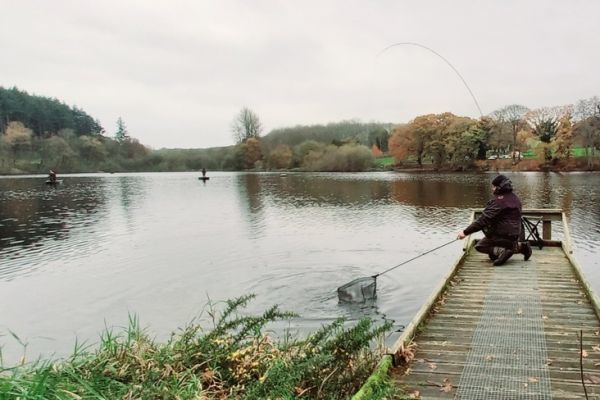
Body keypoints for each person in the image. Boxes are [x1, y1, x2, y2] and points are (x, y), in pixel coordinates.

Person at [457, 174, 532, 266]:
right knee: (492, 256)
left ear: (500, 187)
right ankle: (522, 247)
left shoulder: (499, 201)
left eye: (494, 187)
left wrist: (465, 233)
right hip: (516, 235)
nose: (492, 189)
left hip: (502, 235)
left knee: (480, 246)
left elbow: (483, 220)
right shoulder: (515, 198)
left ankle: (503, 251)